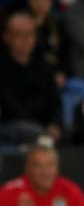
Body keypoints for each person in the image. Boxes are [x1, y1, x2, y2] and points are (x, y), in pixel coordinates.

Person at [0, 139, 84, 206]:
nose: (45, 172)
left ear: (57, 167)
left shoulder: (70, 191)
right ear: (27, 168)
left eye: (50, 165)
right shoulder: (10, 192)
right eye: (38, 166)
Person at [0, 11, 62, 146]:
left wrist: (55, 124)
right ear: (7, 37)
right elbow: (9, 107)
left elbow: (55, 101)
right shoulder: (2, 67)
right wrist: (42, 129)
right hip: (13, 126)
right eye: (19, 34)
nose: (26, 39)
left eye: (30, 34)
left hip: (43, 127)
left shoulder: (44, 66)